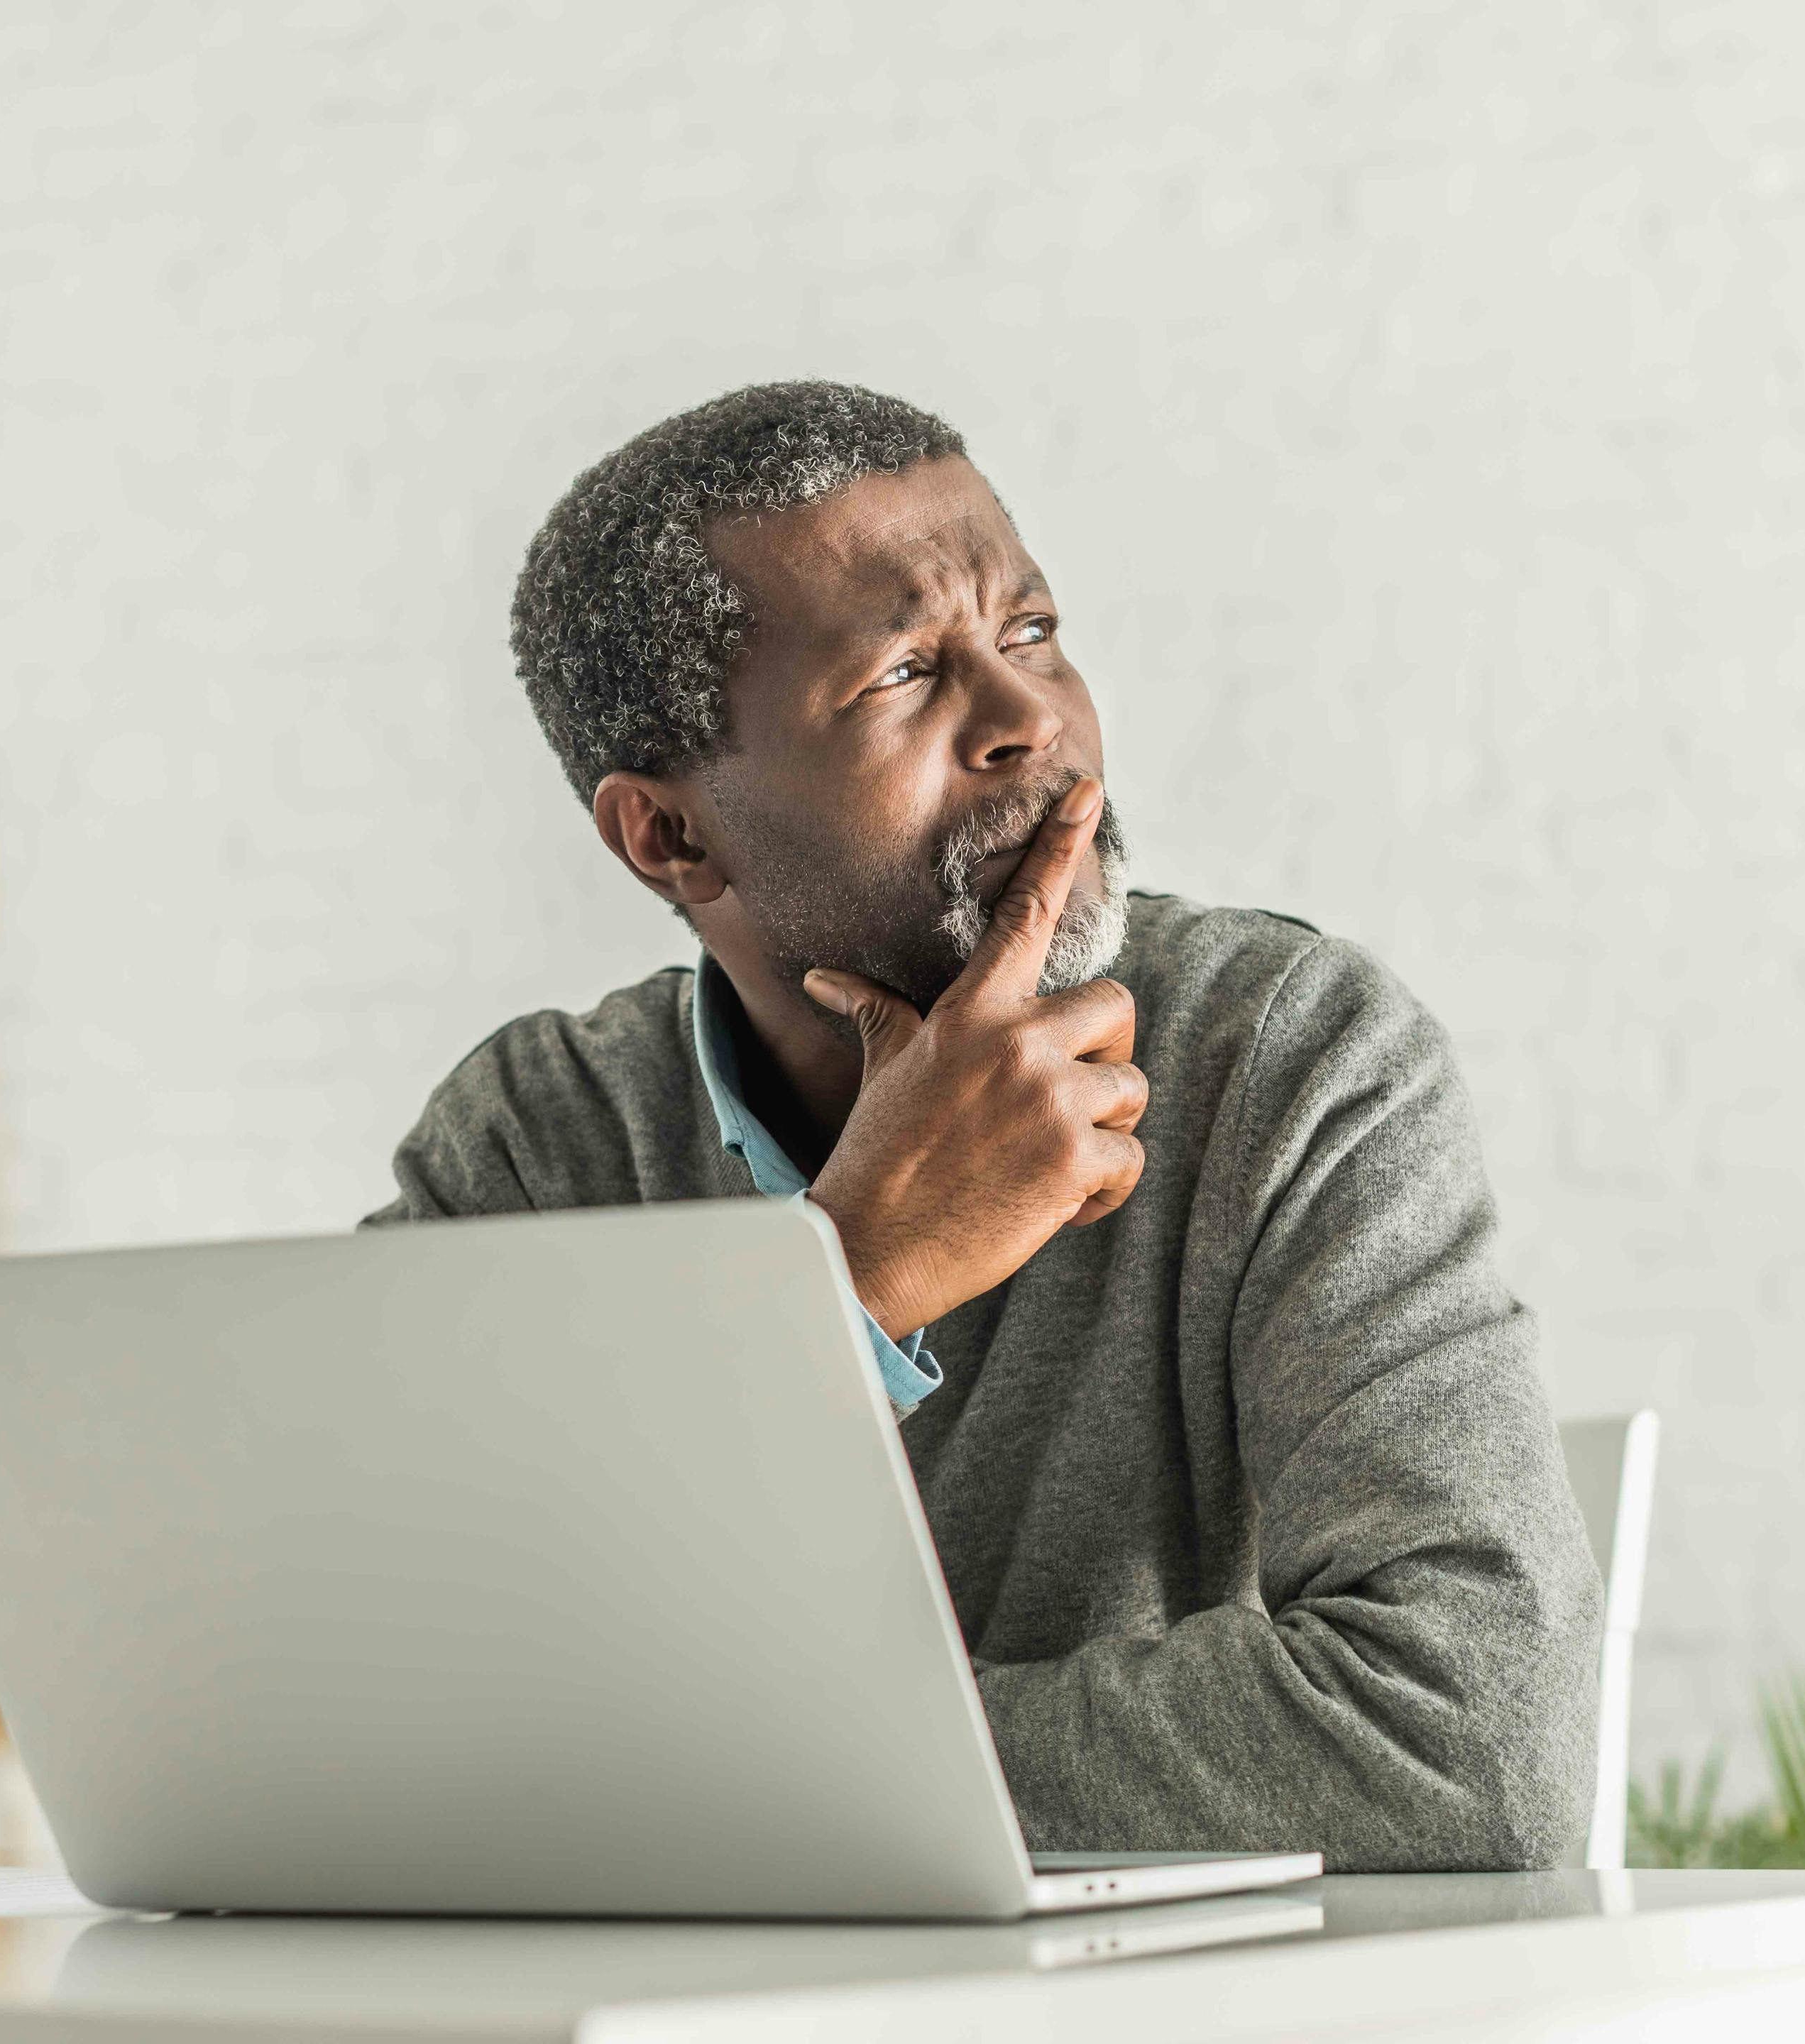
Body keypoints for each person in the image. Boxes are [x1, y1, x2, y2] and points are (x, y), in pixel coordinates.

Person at [366, 381, 1603, 1865]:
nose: (1034, 723)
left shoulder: (1287, 1059)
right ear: (672, 836)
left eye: (1031, 633)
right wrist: (854, 1278)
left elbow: (1476, 1740)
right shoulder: (537, 1145)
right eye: (903, 675)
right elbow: (343, 1711)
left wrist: (695, 1779)